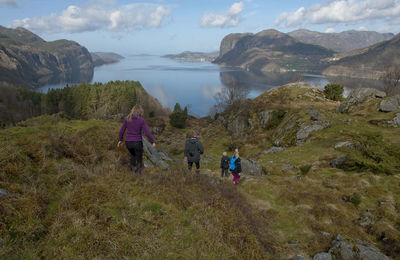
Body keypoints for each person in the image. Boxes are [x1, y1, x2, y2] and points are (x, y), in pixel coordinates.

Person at [118, 104, 155, 173]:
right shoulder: (141, 120)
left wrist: (120, 140)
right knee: (139, 158)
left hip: (128, 143)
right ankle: (139, 174)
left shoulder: (127, 119)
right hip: (137, 142)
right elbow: (147, 132)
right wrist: (152, 141)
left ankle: (132, 171)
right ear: (140, 111)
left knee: (133, 155)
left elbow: (121, 131)